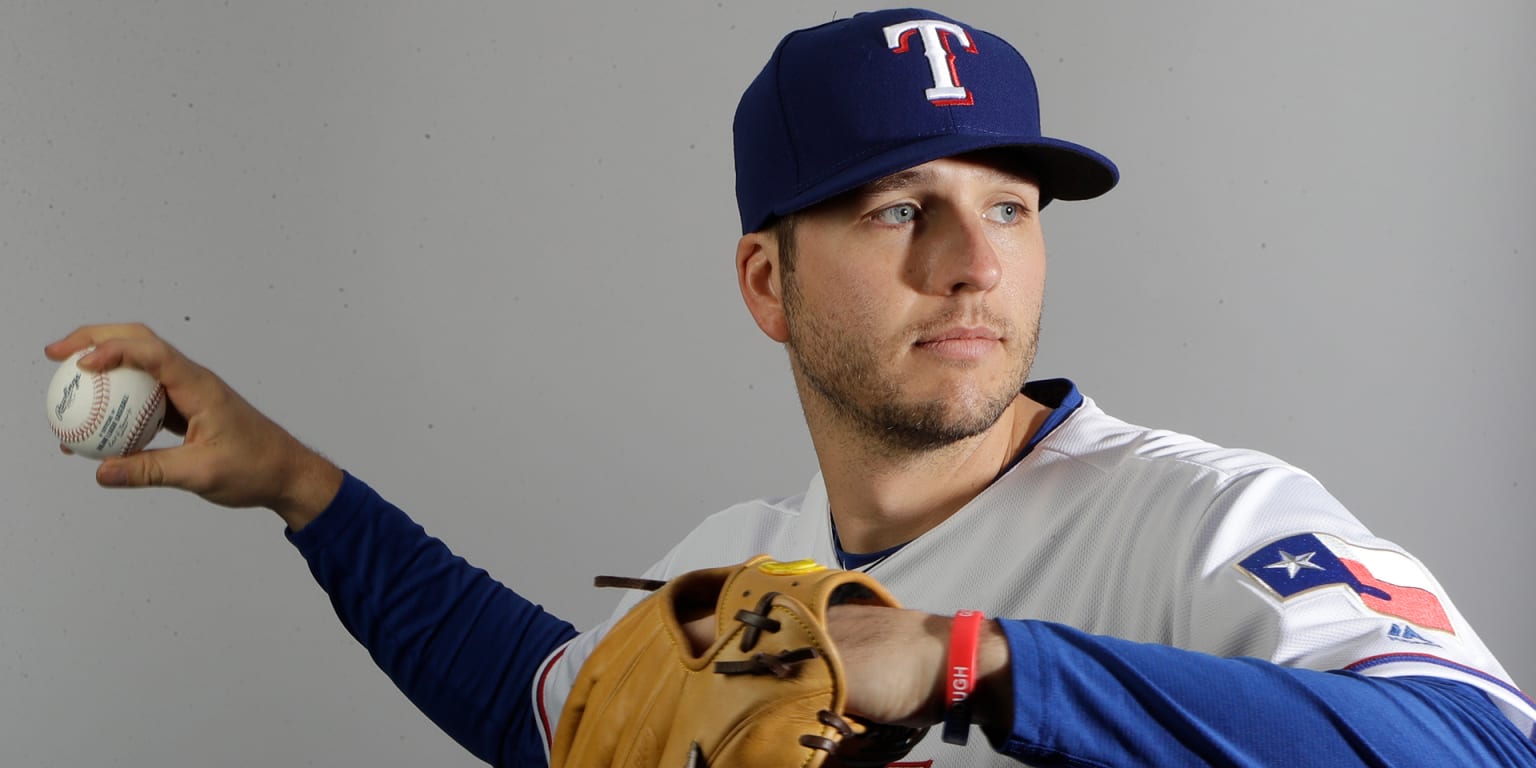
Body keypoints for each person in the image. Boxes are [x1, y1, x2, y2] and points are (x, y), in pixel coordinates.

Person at [47, 8, 1536, 767]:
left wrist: (972, 665)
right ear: (768, 281)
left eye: (1009, 206)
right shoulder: (741, 567)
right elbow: (546, 715)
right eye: (898, 210)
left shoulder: (1196, 519)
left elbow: (1483, 749)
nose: (972, 263)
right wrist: (299, 488)